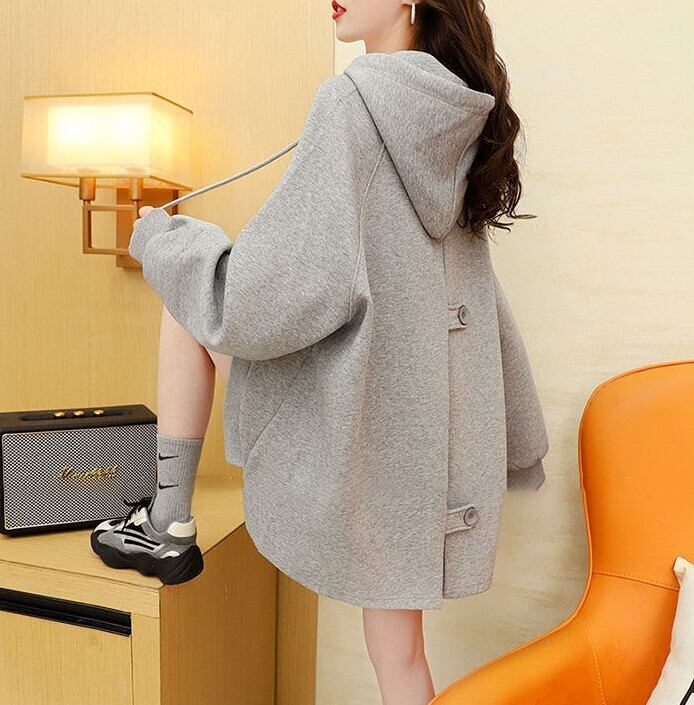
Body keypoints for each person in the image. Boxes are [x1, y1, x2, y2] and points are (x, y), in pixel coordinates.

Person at [91, 2, 549, 703]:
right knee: (400, 653)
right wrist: (509, 418)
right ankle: (166, 520)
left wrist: (162, 239)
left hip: (359, 414)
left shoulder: (350, 104)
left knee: (189, 294)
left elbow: (269, 292)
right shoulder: (459, 114)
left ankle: (168, 520)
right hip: (423, 432)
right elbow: (471, 290)